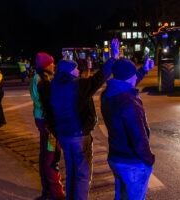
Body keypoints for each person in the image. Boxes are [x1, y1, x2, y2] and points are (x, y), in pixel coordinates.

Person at [49, 39, 119, 200]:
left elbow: (51, 112)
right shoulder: (77, 85)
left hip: (64, 136)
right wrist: (113, 57)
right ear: (69, 71)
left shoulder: (55, 85)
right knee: (82, 175)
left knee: (72, 172)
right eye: (75, 69)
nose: (78, 71)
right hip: (79, 135)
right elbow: (98, 79)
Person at [101, 56, 155, 200]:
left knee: (121, 197)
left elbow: (128, 82)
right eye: (134, 75)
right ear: (129, 77)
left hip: (116, 158)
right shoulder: (129, 103)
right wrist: (148, 160)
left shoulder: (109, 94)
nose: (135, 78)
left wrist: (144, 70)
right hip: (132, 163)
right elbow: (139, 138)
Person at [30, 53, 64, 200]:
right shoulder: (43, 81)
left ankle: (47, 190)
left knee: (45, 155)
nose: (53, 65)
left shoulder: (37, 78)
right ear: (45, 65)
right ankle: (56, 193)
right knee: (52, 157)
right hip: (48, 123)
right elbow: (50, 105)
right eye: (51, 63)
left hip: (41, 120)